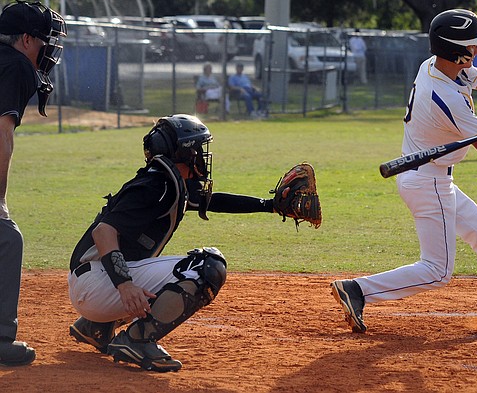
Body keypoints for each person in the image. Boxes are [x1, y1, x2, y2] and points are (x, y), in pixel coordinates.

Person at [330, 9, 477, 333]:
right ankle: (358, 290)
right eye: (472, 46)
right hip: (429, 183)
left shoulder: (440, 67)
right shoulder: (447, 99)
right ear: (456, 52)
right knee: (438, 270)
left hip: (427, 175)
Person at [67, 115, 306, 372]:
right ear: (183, 152)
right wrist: (125, 285)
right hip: (98, 285)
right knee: (207, 266)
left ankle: (96, 327)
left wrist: (269, 206)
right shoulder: (155, 186)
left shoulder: (166, 181)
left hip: (93, 285)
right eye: (197, 148)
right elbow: (103, 232)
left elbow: (212, 201)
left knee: (159, 269)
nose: (202, 155)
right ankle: (138, 339)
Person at [0, 0, 65, 367]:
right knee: (6, 238)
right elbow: (2, 133)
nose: (47, 49)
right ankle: (0, 337)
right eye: (44, 40)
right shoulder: (17, 66)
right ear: (26, 39)